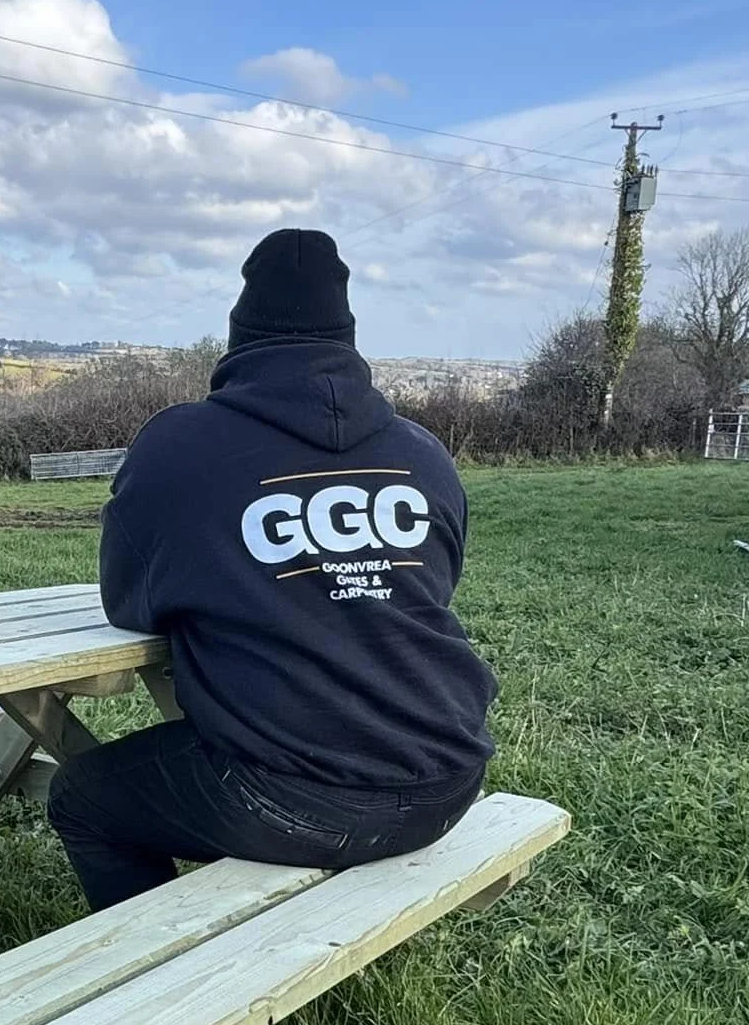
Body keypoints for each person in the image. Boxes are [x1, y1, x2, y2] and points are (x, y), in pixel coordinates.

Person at [46, 228, 499, 910]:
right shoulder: (423, 452)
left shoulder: (180, 445)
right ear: (347, 337)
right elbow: (429, 587)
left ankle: (170, 965)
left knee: (82, 796)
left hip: (296, 796)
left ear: (240, 334)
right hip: (449, 780)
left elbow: (127, 600)